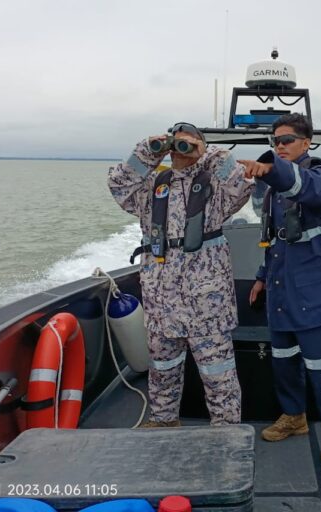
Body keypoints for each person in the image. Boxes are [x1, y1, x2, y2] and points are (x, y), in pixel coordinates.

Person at [108, 122, 254, 426]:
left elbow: (242, 186)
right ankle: (163, 421)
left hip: (206, 303)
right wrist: (148, 151)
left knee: (218, 374)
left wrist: (206, 153)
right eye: (175, 143)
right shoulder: (154, 184)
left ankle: (226, 432)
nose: (178, 150)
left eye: (186, 144)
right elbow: (119, 185)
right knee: (162, 368)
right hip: (161, 301)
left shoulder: (215, 186)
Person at [241, 113, 321, 464]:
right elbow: (276, 240)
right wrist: (262, 276)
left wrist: (272, 168)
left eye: (286, 140)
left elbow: (309, 190)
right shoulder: (274, 193)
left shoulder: (320, 177)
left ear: (307, 142)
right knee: (284, 362)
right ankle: (295, 416)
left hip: (315, 294)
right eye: (275, 142)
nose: (279, 146)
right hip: (281, 291)